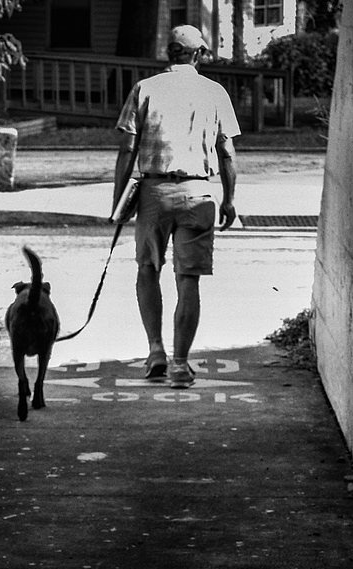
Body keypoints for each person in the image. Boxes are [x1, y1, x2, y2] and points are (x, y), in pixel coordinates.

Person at [113, 24, 240, 389]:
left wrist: (118, 200)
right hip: (197, 193)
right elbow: (227, 152)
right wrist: (230, 199)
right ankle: (180, 365)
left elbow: (127, 149)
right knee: (188, 279)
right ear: (197, 54)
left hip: (153, 193)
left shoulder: (145, 88)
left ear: (168, 53)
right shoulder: (214, 92)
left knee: (147, 269)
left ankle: (155, 351)